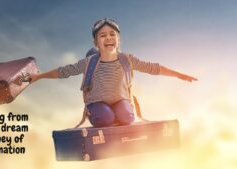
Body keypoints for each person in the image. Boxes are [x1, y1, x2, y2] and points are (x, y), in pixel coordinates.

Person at [20, 18, 197, 128]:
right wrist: (39, 77)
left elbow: (154, 68)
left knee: (127, 118)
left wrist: (179, 75)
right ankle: (98, 113)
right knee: (105, 119)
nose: (108, 38)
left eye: (112, 34)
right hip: (97, 102)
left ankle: (117, 114)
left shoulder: (127, 60)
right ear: (96, 42)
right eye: (102, 35)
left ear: (118, 39)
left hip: (120, 100)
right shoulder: (90, 62)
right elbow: (64, 71)